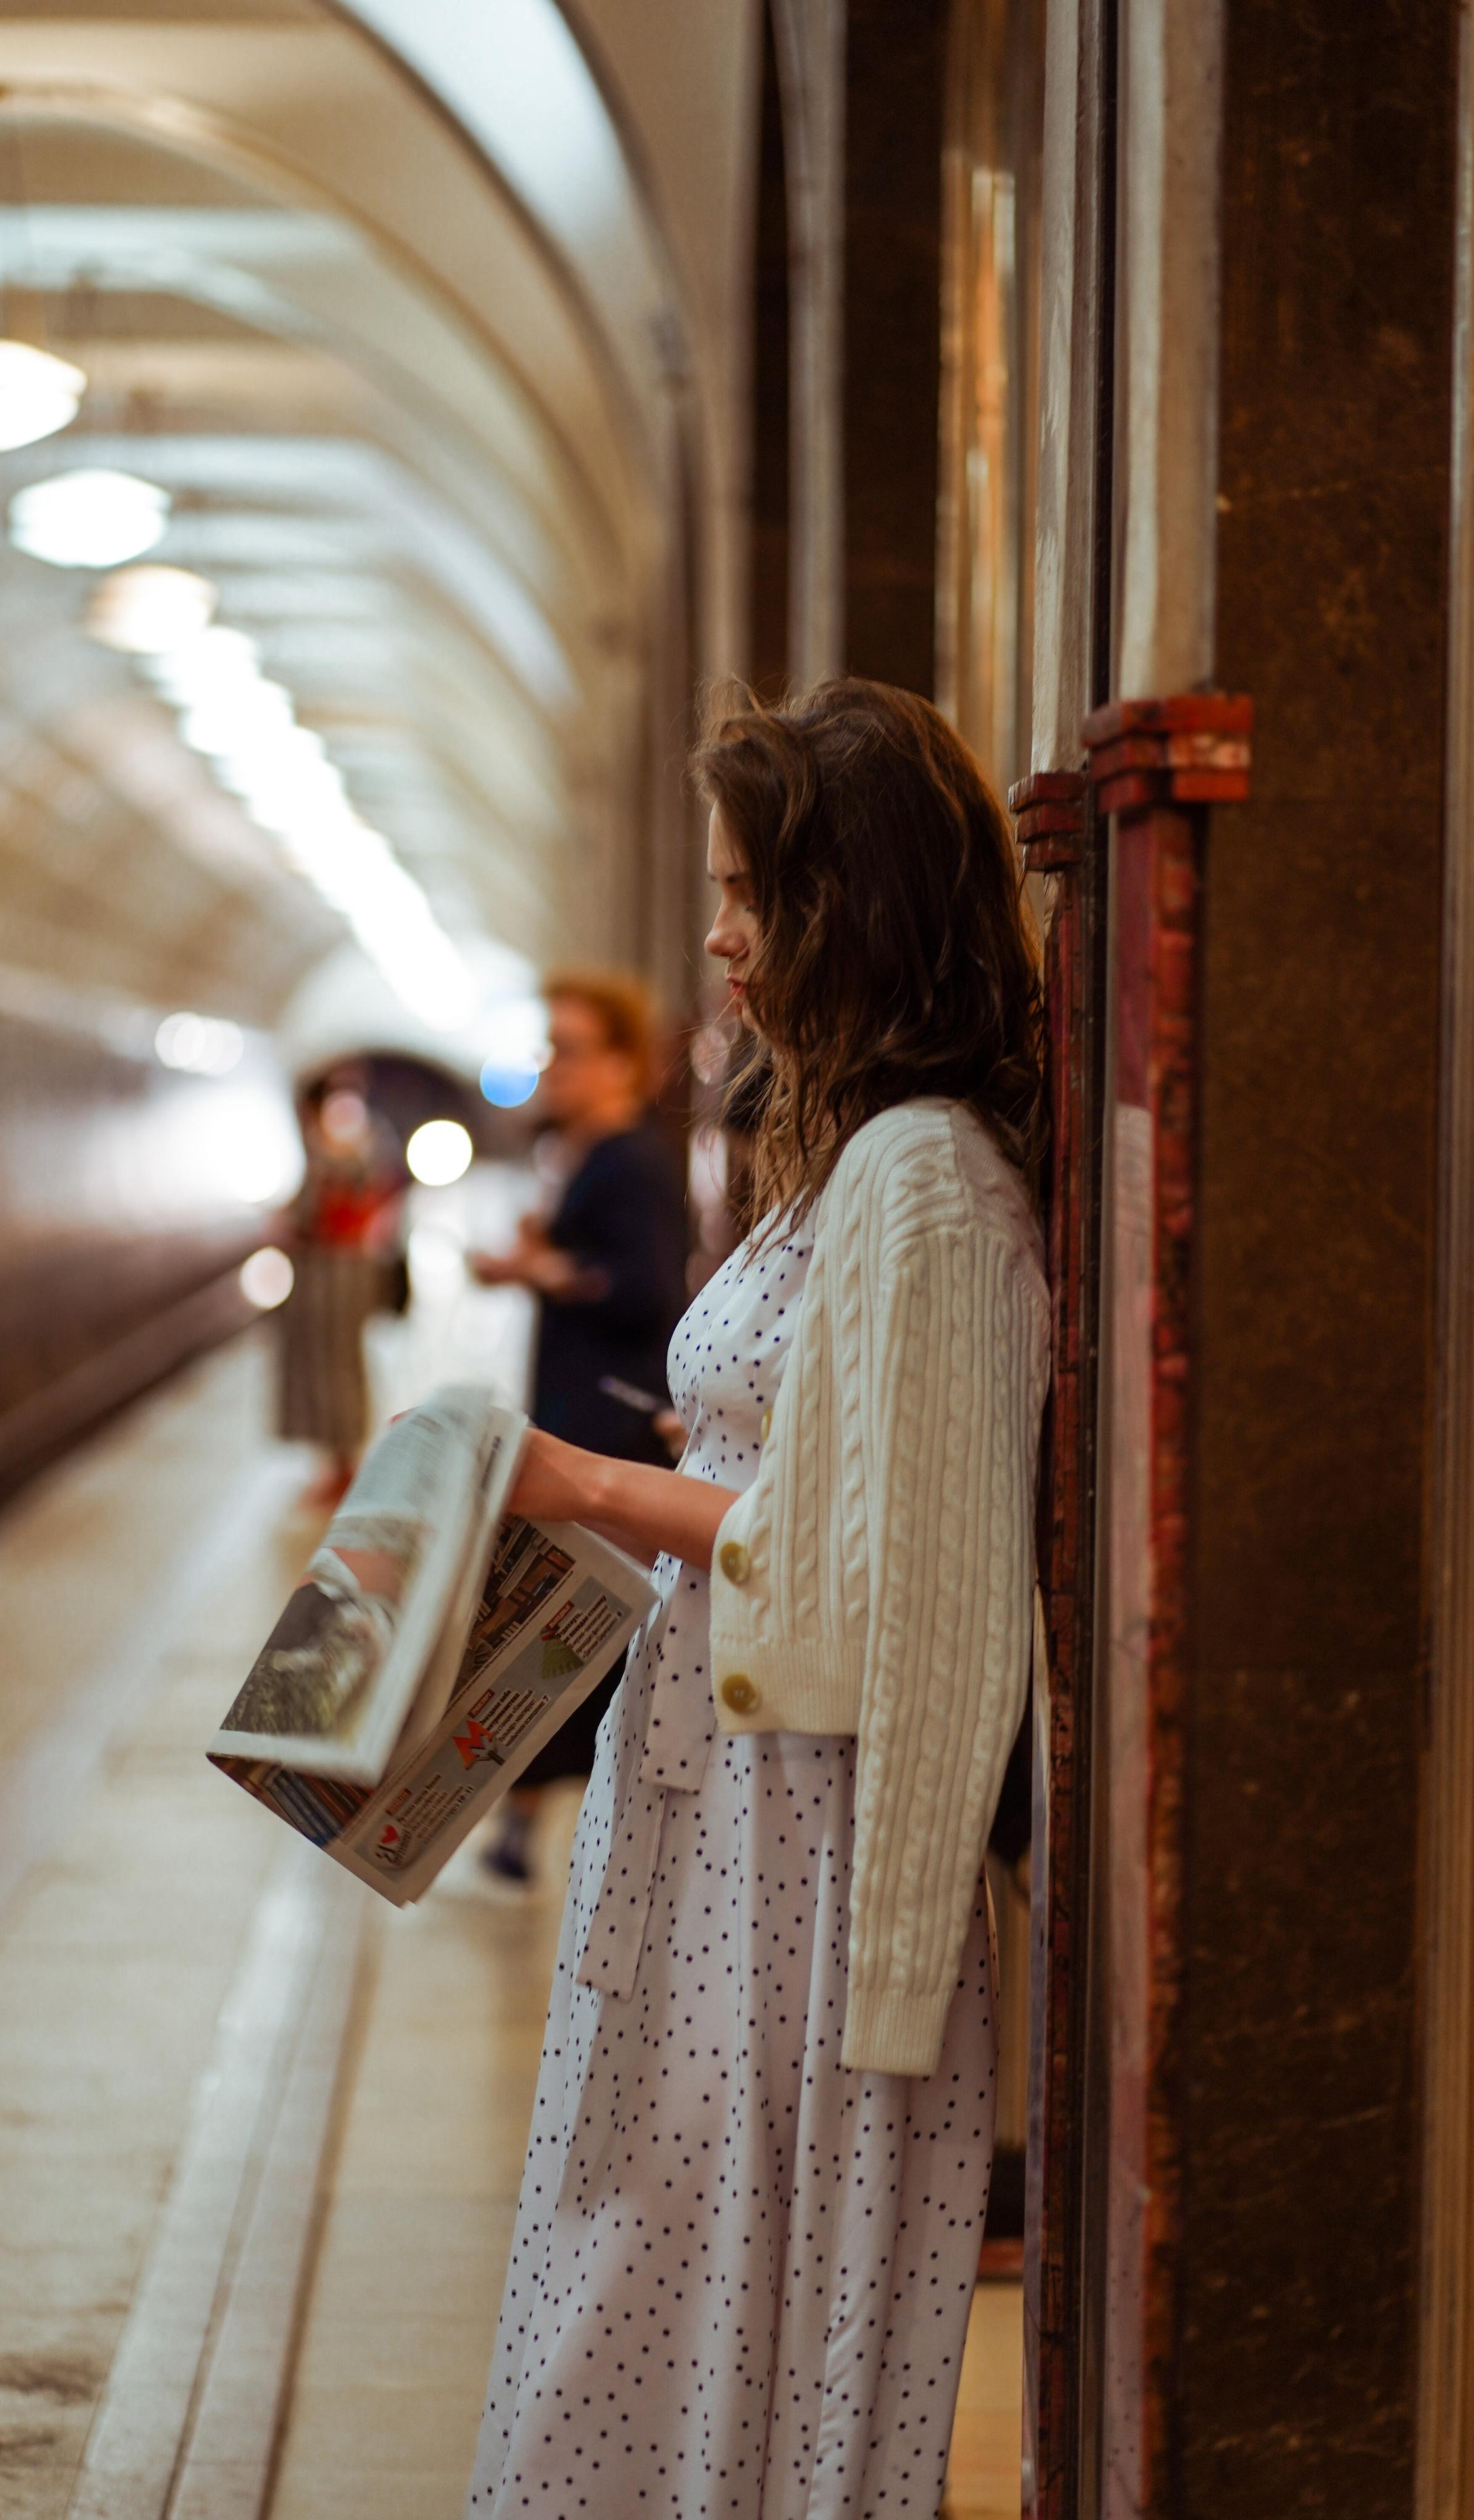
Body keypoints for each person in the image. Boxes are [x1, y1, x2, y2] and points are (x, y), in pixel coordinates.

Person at [465, 679, 1049, 2519]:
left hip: (803, 1856)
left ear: (851, 906)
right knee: (642, 2277)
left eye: (749, 891)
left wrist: (581, 1484)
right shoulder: (843, 1165)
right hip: (722, 1826)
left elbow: (903, 1575)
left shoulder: (927, 1187)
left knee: (707, 2306)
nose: (715, 934)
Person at [468, 971, 688, 1883]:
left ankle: (543, 1822)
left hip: (609, 1426)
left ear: (622, 1062)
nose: (550, 1065)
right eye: (546, 1045)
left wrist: (542, 1269)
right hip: (574, 1412)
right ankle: (527, 1820)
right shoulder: (591, 1150)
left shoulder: (633, 1158)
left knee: (571, 1623)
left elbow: (644, 1285)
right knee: (558, 1620)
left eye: (567, 1048)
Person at [278, 1064, 407, 1505]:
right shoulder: (368, 1139)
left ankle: (343, 1466)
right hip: (349, 1267)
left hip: (332, 1272)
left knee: (331, 1367)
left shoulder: (334, 1147)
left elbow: (310, 1212)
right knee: (337, 1363)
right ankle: (339, 1464)